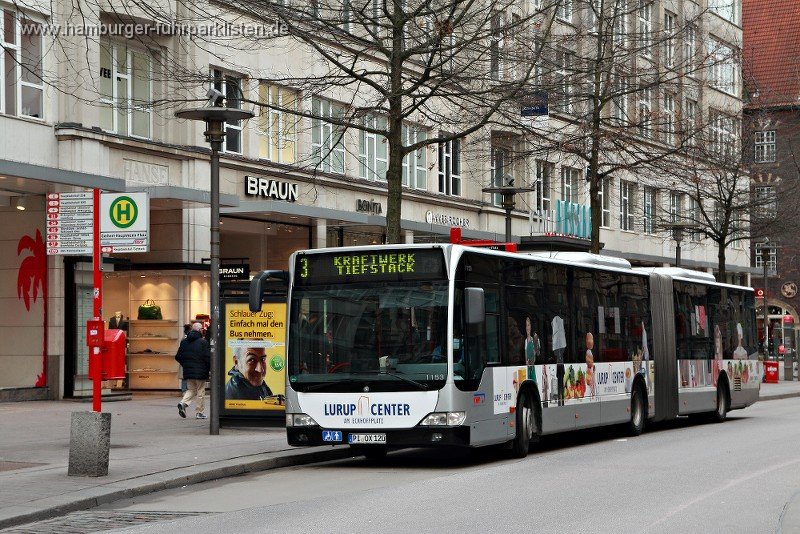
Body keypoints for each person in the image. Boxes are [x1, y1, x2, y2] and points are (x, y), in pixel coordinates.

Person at [175, 322, 210, 419]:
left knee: (191, 389)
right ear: (199, 330)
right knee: (200, 391)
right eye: (202, 329)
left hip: (188, 371)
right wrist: (209, 369)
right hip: (200, 371)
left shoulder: (184, 342)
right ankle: (199, 412)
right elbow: (207, 358)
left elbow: (178, 356)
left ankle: (183, 403)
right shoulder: (203, 342)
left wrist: (186, 365)